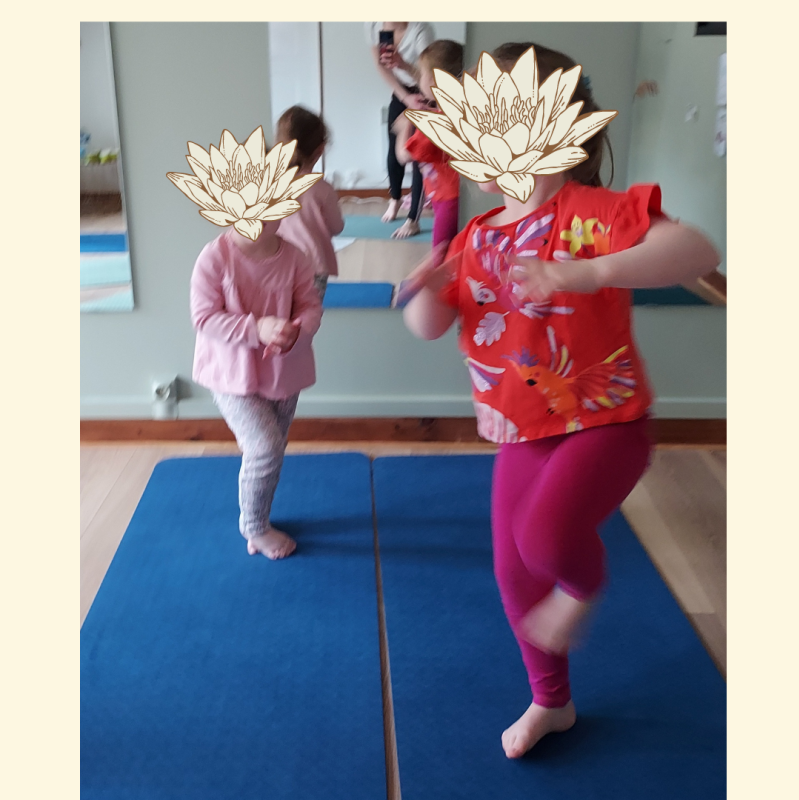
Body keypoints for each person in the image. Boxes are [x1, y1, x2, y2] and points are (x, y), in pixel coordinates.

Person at [402, 42, 721, 758]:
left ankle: (583, 591)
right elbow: (429, 326)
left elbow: (699, 252)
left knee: (547, 540)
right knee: (513, 571)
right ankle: (554, 702)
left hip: (607, 421)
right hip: (522, 429)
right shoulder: (478, 236)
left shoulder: (590, 214)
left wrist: (586, 274)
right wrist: (422, 288)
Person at [190, 206, 323, 561]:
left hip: (283, 372)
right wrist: (256, 328)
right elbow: (204, 317)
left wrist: (299, 329)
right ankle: (254, 526)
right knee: (264, 448)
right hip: (231, 375)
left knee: (272, 449)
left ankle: (260, 516)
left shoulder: (295, 257)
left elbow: (310, 306)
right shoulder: (215, 258)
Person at [366, 22, 434, 238]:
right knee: (393, 150)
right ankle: (395, 199)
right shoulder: (373, 24)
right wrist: (404, 97)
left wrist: (403, 64)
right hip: (401, 91)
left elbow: (429, 77)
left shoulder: (420, 30)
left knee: (418, 156)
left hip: (425, 90)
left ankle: (413, 219)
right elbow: (380, 66)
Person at [393, 39, 463, 252]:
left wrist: (405, 125)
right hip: (453, 195)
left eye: (422, 74)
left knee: (440, 252)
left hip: (449, 199)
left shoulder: (433, 125)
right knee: (454, 249)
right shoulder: (454, 110)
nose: (419, 78)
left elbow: (404, 155)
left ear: (433, 80)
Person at [275, 106, 345, 299]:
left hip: (276, 264)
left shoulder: (271, 183)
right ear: (320, 149)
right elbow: (336, 227)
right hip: (313, 266)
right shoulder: (322, 189)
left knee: (281, 310)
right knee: (308, 311)